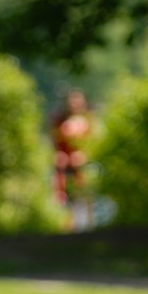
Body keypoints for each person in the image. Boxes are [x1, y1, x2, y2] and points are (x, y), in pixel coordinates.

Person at [50, 88, 94, 231]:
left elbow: (95, 144)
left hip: (83, 165)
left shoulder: (90, 120)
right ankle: (61, 215)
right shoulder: (59, 120)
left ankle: (87, 222)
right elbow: (56, 144)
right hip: (64, 165)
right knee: (59, 168)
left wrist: (84, 155)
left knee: (82, 176)